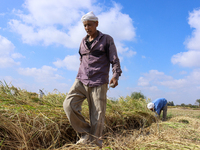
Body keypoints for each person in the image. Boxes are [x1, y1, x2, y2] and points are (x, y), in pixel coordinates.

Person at [63, 11, 122, 147]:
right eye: (84, 25)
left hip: (98, 82)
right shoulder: (83, 41)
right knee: (68, 105)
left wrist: (115, 75)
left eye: (89, 25)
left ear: (96, 23)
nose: (87, 28)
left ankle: (94, 144)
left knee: (97, 116)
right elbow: (81, 59)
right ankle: (86, 133)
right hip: (81, 79)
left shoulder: (107, 39)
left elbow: (114, 60)